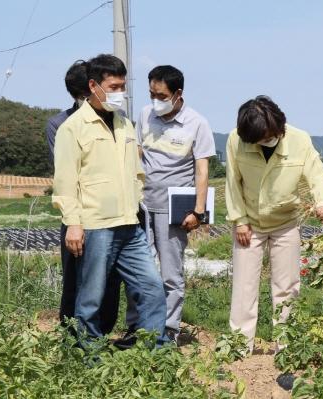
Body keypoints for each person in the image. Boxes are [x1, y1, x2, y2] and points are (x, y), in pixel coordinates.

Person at [52, 54, 167, 347]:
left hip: (129, 224)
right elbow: (65, 183)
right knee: (90, 296)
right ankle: (86, 355)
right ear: (93, 85)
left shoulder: (125, 125)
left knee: (152, 287)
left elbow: (136, 172)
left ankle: (154, 351)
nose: (120, 93)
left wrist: (136, 200)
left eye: (122, 86)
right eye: (113, 87)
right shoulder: (72, 129)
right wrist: (74, 224)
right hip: (95, 226)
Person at [225, 95, 323, 352]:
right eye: (259, 139)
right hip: (249, 223)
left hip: (286, 222)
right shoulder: (235, 140)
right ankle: (239, 345)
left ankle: (287, 345)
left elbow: (318, 175)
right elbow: (232, 182)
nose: (266, 141)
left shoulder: (300, 139)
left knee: (286, 286)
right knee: (244, 285)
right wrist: (239, 220)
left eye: (269, 136)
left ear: (279, 127)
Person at [135, 65, 216, 342]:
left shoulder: (197, 123)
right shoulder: (145, 115)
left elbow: (201, 170)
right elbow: (137, 156)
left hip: (174, 211)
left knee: (171, 273)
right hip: (143, 206)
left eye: (161, 95)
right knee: (140, 271)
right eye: (151, 93)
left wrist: (198, 211)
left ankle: (168, 329)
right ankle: (140, 327)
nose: (155, 100)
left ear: (178, 93)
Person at [45, 60, 120, 335]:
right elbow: (67, 172)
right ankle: (72, 334)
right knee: (76, 278)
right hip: (78, 214)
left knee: (110, 278)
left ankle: (101, 332)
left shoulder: (116, 119)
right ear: (82, 93)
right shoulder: (61, 124)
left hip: (110, 215)